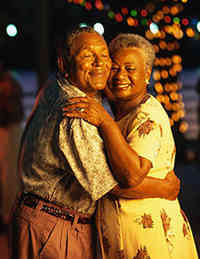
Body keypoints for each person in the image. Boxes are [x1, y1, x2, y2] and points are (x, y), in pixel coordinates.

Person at [10, 26, 180, 259]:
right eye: (88, 56)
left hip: (43, 222)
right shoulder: (77, 111)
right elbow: (113, 183)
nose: (101, 64)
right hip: (55, 229)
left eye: (104, 56)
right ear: (64, 64)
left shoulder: (58, 85)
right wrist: (165, 188)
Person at [63, 33, 199, 258]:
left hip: (148, 237)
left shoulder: (146, 118)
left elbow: (129, 176)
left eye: (130, 69)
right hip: (126, 236)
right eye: (114, 69)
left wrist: (105, 121)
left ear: (147, 74)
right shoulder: (121, 112)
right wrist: (163, 187)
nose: (120, 76)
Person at [0, 63, 24, 231]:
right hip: (9, 129)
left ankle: (8, 214)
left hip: (8, 129)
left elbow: (14, 110)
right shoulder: (11, 83)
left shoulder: (8, 85)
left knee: (9, 174)